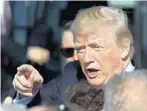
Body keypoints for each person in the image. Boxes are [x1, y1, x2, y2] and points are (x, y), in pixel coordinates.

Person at [8, 6, 135, 107]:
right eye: (80, 49)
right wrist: (27, 90)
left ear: (123, 48)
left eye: (96, 47)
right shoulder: (72, 74)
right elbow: (34, 101)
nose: (86, 59)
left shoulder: (141, 88)